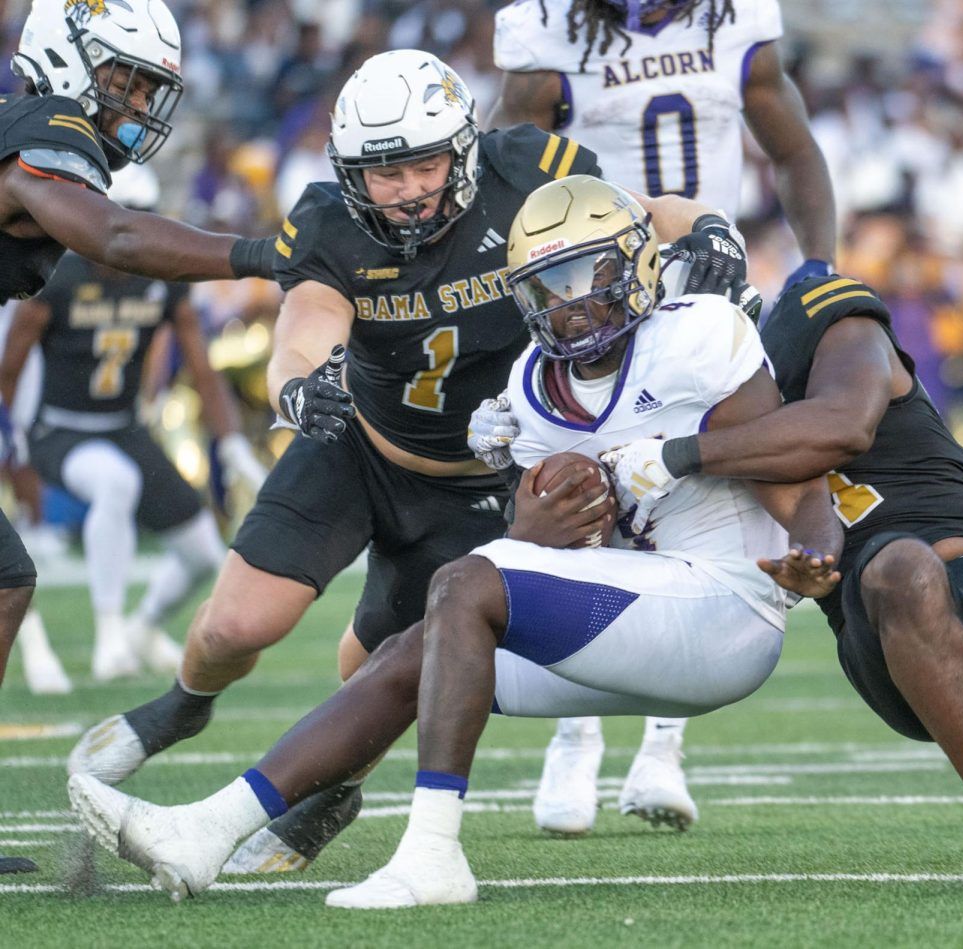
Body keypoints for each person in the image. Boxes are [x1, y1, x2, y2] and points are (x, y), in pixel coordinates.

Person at [66, 50, 753, 877]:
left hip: (481, 480)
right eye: (382, 172)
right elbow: (304, 324)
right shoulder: (328, 219)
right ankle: (184, 705)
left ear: (463, 148)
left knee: (374, 673)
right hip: (363, 445)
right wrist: (297, 390)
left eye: (424, 162)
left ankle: (329, 795)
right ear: (351, 172)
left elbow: (640, 216)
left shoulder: (528, 168)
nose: (407, 188)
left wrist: (709, 222)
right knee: (232, 626)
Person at [590, 272, 963, 891]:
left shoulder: (826, 329)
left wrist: (673, 456)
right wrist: (812, 569)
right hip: (896, 639)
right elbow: (810, 519)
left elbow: (842, 425)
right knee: (902, 563)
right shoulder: (703, 420)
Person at [489, 0, 839, 836]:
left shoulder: (736, 21)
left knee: (712, 504)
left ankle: (663, 746)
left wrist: (820, 262)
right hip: (581, 287)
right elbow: (508, 166)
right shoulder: (547, 29)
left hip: (703, 280)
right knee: (577, 493)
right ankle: (573, 737)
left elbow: (792, 147)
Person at [0, 0, 274, 876]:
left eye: (145, 85)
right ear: (67, 57)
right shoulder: (43, 124)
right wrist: (265, 254)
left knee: (7, 579)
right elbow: (113, 237)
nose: (135, 102)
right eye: (124, 79)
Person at [0, 165, 267, 683]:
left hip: (124, 426)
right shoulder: (55, 278)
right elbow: (9, 372)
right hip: (59, 428)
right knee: (114, 483)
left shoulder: (161, 284)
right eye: (128, 218)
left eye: (144, 217)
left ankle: (142, 628)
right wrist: (11, 444)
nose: (138, 230)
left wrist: (233, 444)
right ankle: (110, 636)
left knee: (201, 552)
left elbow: (202, 368)